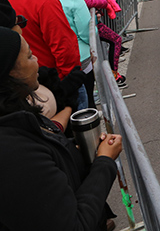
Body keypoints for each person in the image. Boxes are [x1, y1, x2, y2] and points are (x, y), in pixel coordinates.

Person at [0, 25, 124, 231]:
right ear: (9, 72)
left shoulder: (18, 117)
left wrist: (71, 152)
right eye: (30, 56)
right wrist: (104, 162)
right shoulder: (12, 151)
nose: (37, 61)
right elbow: (72, 225)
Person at [26, 0, 94, 110]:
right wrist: (90, 47)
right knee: (85, 101)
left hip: (44, 66)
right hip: (77, 59)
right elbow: (86, 29)